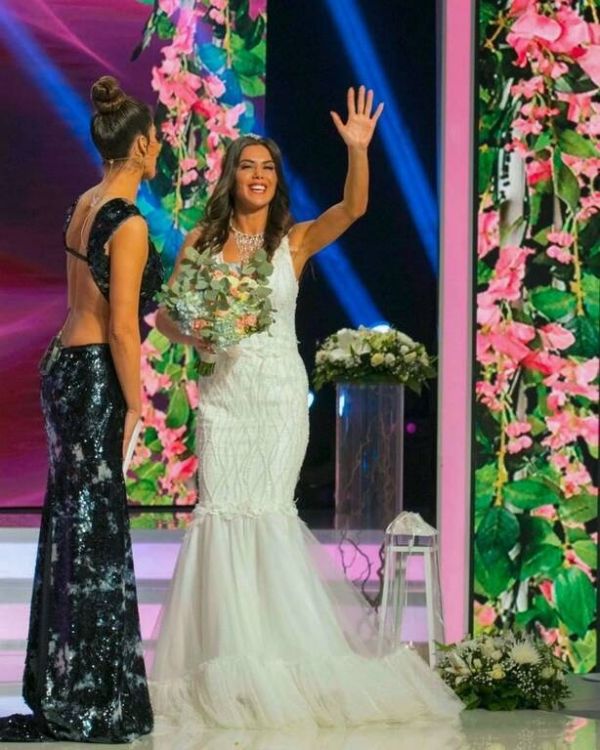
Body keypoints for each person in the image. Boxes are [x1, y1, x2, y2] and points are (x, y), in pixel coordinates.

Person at [152, 86, 462, 729]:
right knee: (221, 513)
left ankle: (278, 663)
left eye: (267, 167)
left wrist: (358, 150)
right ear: (231, 176)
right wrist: (199, 334)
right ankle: (225, 663)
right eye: (247, 165)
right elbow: (166, 316)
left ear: (276, 180)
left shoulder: (293, 243)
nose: (258, 175)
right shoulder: (202, 242)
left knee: (267, 512)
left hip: (277, 398)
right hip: (225, 398)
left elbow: (353, 208)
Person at [0, 76, 163, 743]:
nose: (161, 149)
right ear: (143, 146)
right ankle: (89, 696)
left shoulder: (83, 203)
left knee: (72, 526)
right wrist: (137, 400)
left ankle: (63, 683)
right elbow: (123, 327)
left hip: (61, 369)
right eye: (157, 141)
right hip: (95, 376)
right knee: (94, 534)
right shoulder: (128, 222)